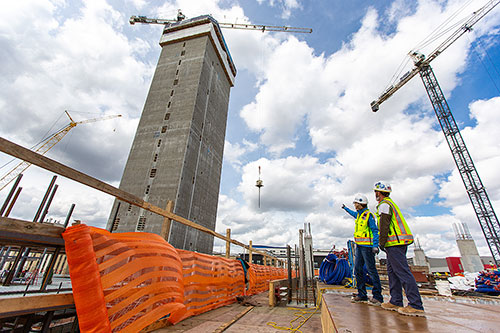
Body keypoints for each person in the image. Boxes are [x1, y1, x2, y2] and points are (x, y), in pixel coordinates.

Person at [373, 181, 425, 316]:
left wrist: (381, 243)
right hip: (394, 244)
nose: (375, 195)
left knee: (402, 272)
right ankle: (395, 300)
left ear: (378, 192)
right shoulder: (389, 203)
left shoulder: (384, 205)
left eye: (375, 192)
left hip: (395, 243)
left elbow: (384, 226)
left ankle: (415, 304)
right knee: (392, 272)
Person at [342, 194, 384, 306]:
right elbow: (353, 214)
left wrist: (375, 245)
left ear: (361, 204)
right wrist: (345, 208)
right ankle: (362, 295)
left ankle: (378, 297)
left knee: (371, 270)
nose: (355, 205)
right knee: (358, 269)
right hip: (359, 246)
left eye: (356, 203)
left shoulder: (368, 215)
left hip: (368, 247)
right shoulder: (359, 215)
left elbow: (375, 230)